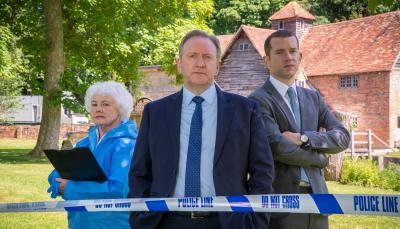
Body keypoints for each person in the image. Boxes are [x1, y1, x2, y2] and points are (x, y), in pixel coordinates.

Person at [129, 30, 274, 229]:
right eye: (192, 56)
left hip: (227, 222)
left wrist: (255, 222)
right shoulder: (155, 112)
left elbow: (263, 171)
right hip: (165, 221)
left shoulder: (245, 110)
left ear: (217, 66)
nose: (200, 63)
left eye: (207, 57)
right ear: (179, 64)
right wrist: (140, 217)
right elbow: (139, 171)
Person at [248, 30, 350, 229]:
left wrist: (304, 138)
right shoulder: (258, 100)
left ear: (300, 56)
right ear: (266, 60)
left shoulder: (313, 97)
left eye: (293, 51)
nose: (288, 57)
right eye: (280, 52)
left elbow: (343, 137)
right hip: (282, 205)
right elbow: (277, 146)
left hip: (319, 201)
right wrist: (320, 159)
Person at [47, 81, 137, 228]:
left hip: (112, 224)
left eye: (105, 104)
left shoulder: (127, 145)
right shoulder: (84, 143)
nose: (98, 109)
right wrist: (57, 183)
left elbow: (119, 190)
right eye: (94, 104)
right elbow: (57, 173)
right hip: (79, 222)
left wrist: (71, 188)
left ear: (121, 108)